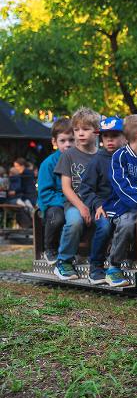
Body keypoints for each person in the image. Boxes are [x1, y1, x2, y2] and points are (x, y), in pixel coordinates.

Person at [103, 114, 137, 287]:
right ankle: (114, 267)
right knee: (127, 222)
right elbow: (121, 185)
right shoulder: (119, 157)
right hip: (123, 205)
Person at [53, 107, 101, 280]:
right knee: (74, 222)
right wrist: (82, 207)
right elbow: (66, 188)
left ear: (97, 131)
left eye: (86, 129)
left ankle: (101, 262)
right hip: (75, 203)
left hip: (97, 204)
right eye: (77, 129)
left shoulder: (102, 156)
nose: (80, 133)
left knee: (107, 222)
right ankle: (64, 262)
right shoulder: (68, 155)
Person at [78, 116, 127, 284]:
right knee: (105, 226)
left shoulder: (128, 157)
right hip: (102, 206)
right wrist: (97, 205)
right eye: (106, 136)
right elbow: (85, 188)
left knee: (130, 223)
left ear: (124, 137)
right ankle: (95, 267)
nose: (110, 140)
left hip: (124, 206)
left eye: (114, 135)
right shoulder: (97, 160)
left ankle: (118, 265)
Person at [37, 119, 75, 263]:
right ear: (55, 142)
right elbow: (45, 193)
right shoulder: (48, 164)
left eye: (71, 140)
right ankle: (50, 248)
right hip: (54, 203)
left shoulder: (79, 161)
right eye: (63, 140)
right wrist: (65, 202)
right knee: (57, 217)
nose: (68, 144)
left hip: (75, 201)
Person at [8, 157, 37, 227]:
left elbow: (24, 187)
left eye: (16, 166)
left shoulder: (25, 173)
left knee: (31, 212)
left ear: (22, 166)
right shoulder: (28, 172)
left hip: (29, 196)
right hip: (29, 196)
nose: (15, 168)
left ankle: (32, 225)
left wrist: (15, 192)